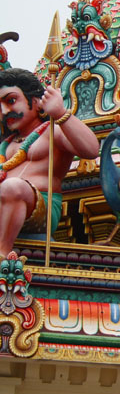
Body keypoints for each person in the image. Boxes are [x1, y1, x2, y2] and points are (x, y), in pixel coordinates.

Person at [0, 68, 99, 255]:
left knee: (13, 187)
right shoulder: (5, 145)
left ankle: (2, 254)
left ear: (37, 102)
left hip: (40, 209)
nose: (5, 111)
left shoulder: (53, 131)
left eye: (11, 101)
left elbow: (91, 149)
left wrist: (60, 113)